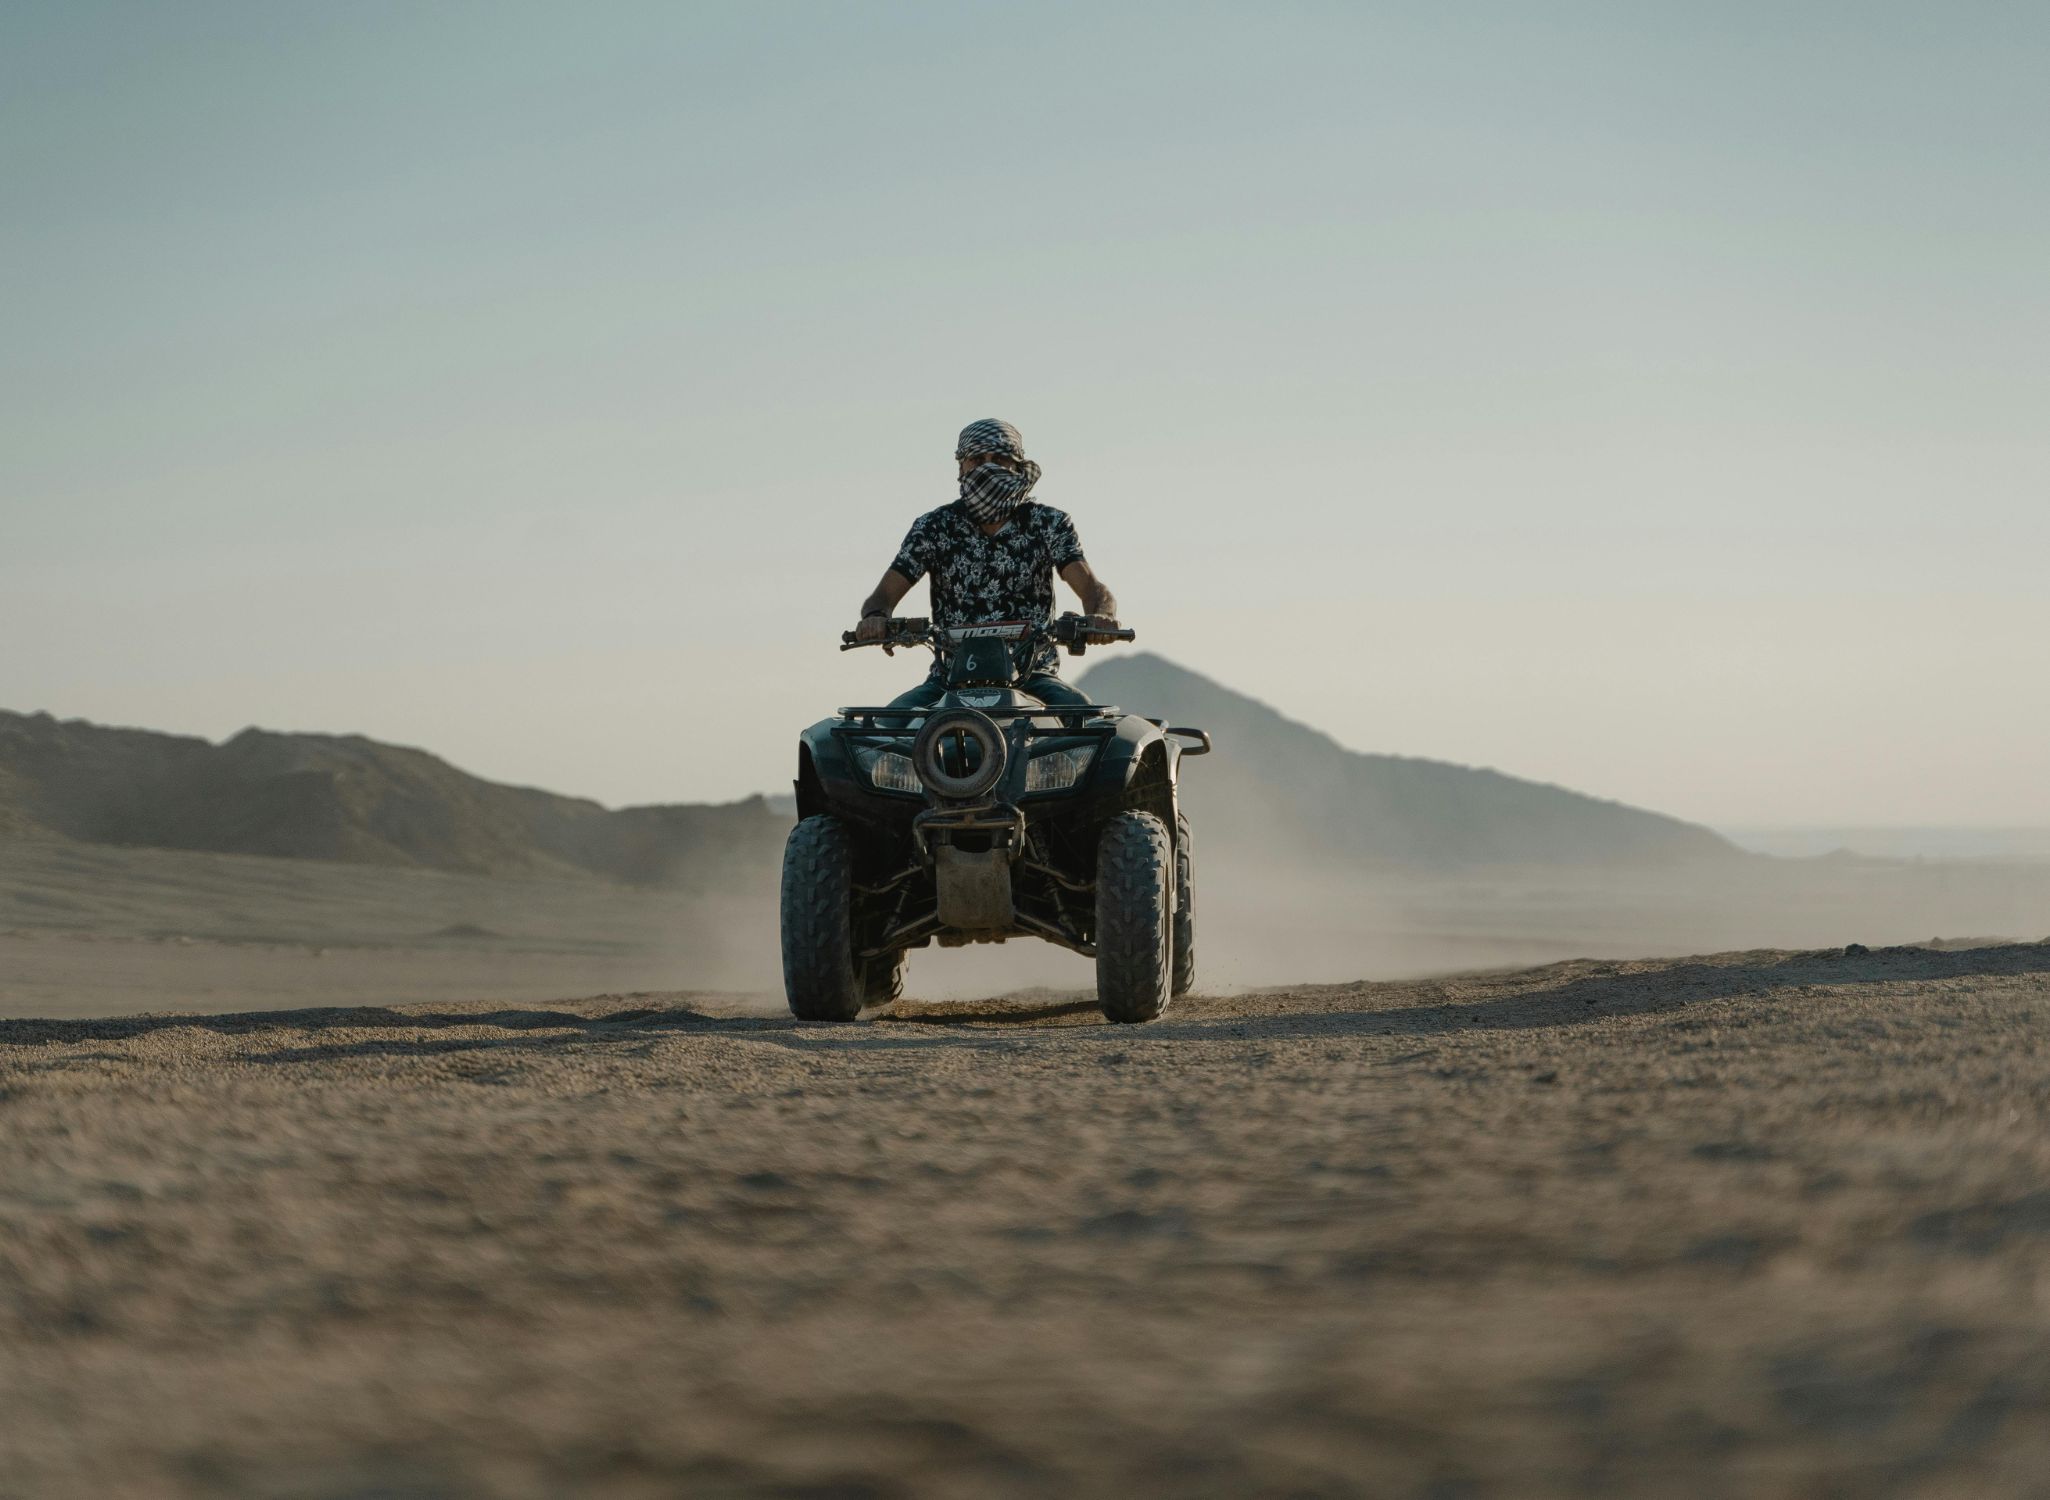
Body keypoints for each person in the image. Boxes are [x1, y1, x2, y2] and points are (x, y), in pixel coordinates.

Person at [854, 418, 1121, 715]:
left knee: (1087, 723)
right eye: (977, 459)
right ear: (961, 468)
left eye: (1000, 459)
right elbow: (883, 596)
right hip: (948, 680)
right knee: (883, 732)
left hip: (1033, 677)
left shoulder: (1048, 523)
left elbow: (1090, 587)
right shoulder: (933, 527)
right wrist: (875, 618)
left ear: (1017, 466)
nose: (987, 467)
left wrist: (1100, 617)